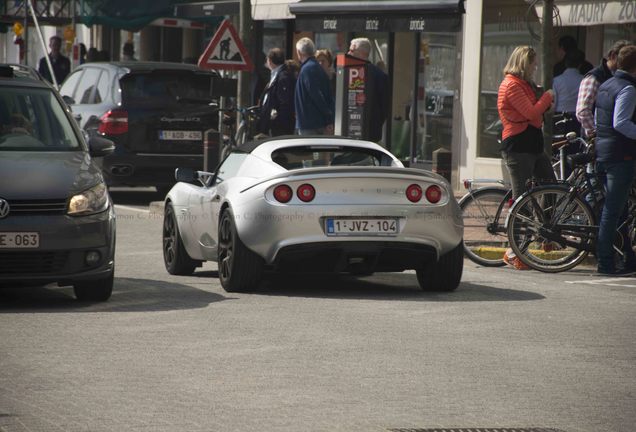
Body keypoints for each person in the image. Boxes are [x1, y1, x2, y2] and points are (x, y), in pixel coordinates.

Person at [593, 45, 636, 275]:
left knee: (616, 210)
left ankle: (626, 257)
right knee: (612, 210)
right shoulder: (627, 88)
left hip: (605, 151)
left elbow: (598, 117)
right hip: (621, 155)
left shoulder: (607, 84)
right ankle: (606, 262)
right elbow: (620, 123)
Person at [498, 46, 555, 200]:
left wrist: (545, 104)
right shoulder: (512, 85)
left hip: (533, 141)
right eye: (533, 64)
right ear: (524, 64)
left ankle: (546, 222)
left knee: (550, 186)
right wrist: (548, 96)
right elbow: (530, 112)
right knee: (521, 197)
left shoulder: (525, 84)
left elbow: (536, 109)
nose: (535, 68)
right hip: (519, 145)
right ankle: (517, 224)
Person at [576, 40, 632, 138]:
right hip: (595, 139)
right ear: (613, 56)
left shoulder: (617, 77)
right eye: (623, 58)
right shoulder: (594, 78)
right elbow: (583, 111)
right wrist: (596, 133)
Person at [347, 37, 390, 143]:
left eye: (351, 50)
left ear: (362, 53)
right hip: (352, 130)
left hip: (370, 131)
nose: (348, 53)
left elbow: (385, 105)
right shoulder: (346, 72)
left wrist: (375, 122)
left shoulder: (378, 75)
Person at [294, 37, 334, 135]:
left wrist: (328, 117)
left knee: (307, 149)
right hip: (320, 123)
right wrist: (329, 118)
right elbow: (328, 96)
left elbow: (316, 94)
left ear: (299, 52)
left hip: (309, 124)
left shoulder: (307, 69)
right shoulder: (319, 69)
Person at [257, 48, 296, 137]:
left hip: (279, 126)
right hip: (273, 123)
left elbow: (284, 102)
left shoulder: (283, 77)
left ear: (270, 61)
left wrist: (276, 119)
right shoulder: (277, 75)